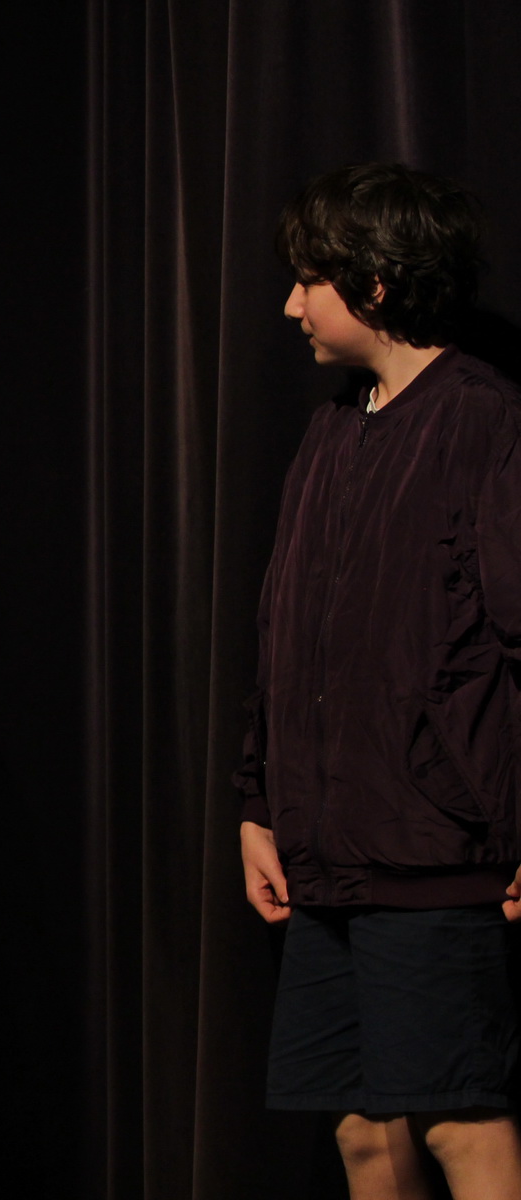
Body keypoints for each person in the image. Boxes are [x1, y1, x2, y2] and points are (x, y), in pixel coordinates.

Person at [237, 162, 521, 1199]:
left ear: (376, 282)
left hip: (432, 848)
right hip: (327, 852)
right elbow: (285, 635)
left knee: (457, 1120)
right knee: (362, 1129)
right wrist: (259, 803)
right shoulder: (331, 429)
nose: (291, 305)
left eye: (308, 279)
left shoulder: (483, 421)